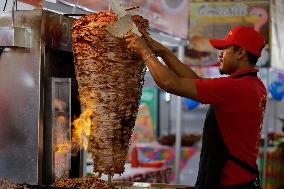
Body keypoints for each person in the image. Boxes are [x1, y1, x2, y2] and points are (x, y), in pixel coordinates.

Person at [125, 26, 267, 189]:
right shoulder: (255, 85)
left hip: (229, 183)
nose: (219, 53)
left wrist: (145, 52)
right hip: (244, 181)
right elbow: (195, 81)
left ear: (240, 52)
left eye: (225, 48)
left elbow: (170, 83)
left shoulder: (235, 88)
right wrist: (163, 51)